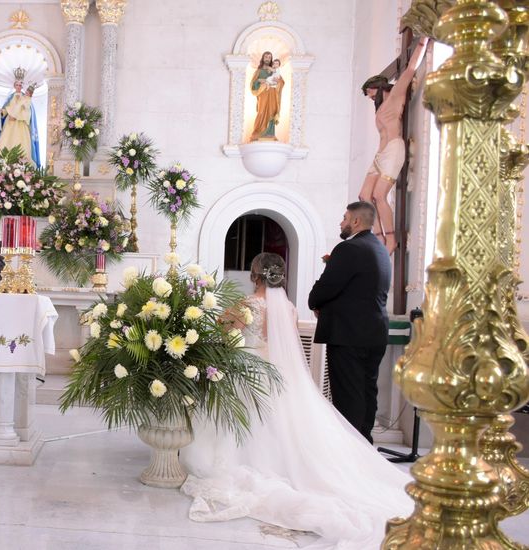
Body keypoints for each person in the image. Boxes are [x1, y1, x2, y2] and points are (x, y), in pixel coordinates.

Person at [181, 252, 410, 549]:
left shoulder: (246, 305)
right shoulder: (288, 308)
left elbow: (223, 335)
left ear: (254, 275)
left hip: (250, 372)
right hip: (281, 376)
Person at [308, 201, 391, 445]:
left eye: (345, 218)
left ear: (356, 221)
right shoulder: (380, 249)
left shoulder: (349, 249)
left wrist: (315, 301)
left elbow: (325, 289)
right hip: (374, 333)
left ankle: (351, 450)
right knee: (366, 392)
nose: (341, 223)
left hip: (348, 335)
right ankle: (364, 446)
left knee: (348, 396)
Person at [358, 37, 429, 254]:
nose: (372, 100)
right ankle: (378, 236)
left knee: (380, 195)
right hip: (380, 155)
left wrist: (422, 42)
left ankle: (390, 240)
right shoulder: (381, 108)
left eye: (371, 95)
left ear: (377, 88)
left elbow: (408, 70)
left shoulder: (396, 96)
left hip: (393, 149)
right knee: (364, 196)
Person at [0, 67, 41, 167]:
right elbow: (7, 108)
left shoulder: (26, 98)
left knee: (21, 143)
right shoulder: (11, 97)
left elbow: (27, 112)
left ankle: (21, 166)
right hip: (10, 123)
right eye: (17, 85)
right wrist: (2, 111)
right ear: (14, 86)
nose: (18, 86)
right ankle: (4, 165)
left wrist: (17, 117)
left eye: (20, 85)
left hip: (20, 123)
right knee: (6, 142)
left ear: (22, 86)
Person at [250, 51, 284, 141]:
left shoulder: (275, 71)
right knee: (261, 112)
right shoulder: (258, 71)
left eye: (269, 57)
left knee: (272, 113)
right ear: (263, 58)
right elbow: (253, 85)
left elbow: (281, 82)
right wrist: (260, 81)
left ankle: (270, 134)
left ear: (271, 59)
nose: (267, 59)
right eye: (266, 57)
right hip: (263, 95)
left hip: (272, 95)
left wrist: (279, 81)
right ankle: (257, 133)